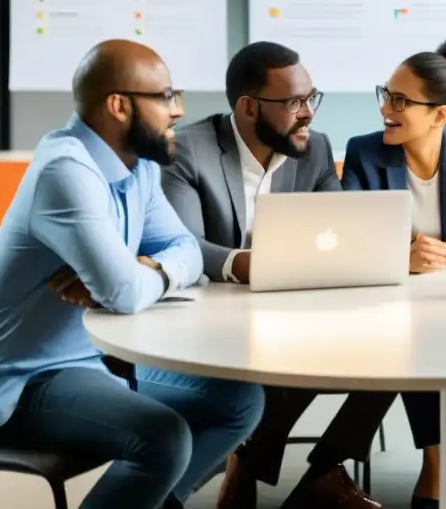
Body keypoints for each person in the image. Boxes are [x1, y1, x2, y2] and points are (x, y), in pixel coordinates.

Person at [0, 40, 266, 509]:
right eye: (166, 96)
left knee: (241, 401)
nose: (180, 109)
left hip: (99, 363)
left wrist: (151, 270)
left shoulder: (140, 166)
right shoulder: (66, 169)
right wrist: (138, 277)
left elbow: (184, 246)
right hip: (28, 381)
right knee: (163, 439)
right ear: (119, 105)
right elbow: (123, 293)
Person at [162, 41, 391, 509]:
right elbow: (183, 244)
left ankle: (316, 468)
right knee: (296, 349)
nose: (308, 113)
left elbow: (343, 228)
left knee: (395, 346)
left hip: (289, 312)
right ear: (249, 107)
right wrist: (245, 263)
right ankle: (256, 461)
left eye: (311, 99)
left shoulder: (315, 149)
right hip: (213, 319)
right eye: (294, 103)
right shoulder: (189, 150)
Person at [341, 37, 446, 509]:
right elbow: (352, 235)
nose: (385, 110)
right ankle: (436, 461)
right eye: (385, 94)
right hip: (392, 304)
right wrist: (402, 258)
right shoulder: (365, 152)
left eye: (400, 100)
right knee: (409, 342)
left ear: (439, 115)